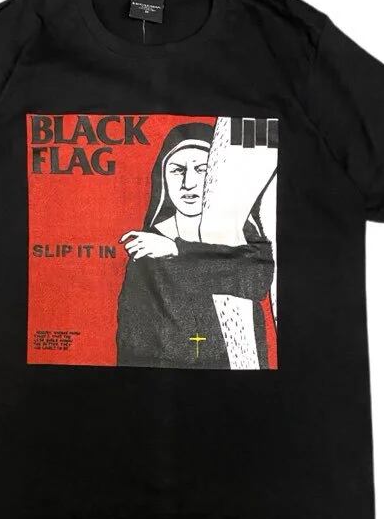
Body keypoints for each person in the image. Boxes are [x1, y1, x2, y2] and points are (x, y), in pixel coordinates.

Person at [116, 121, 275, 369]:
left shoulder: (240, 229)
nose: (188, 182)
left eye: (202, 169)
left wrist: (176, 250)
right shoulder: (149, 243)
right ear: (163, 178)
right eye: (177, 170)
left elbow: (258, 278)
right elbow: (134, 338)